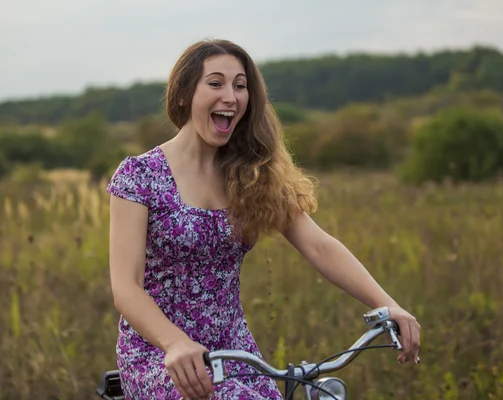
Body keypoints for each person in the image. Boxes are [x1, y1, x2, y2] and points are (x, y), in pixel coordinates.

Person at [106, 38, 421, 400]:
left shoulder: (250, 173)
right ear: (182, 95)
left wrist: (388, 305)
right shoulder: (139, 175)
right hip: (160, 354)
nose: (231, 96)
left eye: (240, 86)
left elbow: (319, 246)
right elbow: (126, 288)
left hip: (235, 350)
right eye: (215, 83)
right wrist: (176, 343)